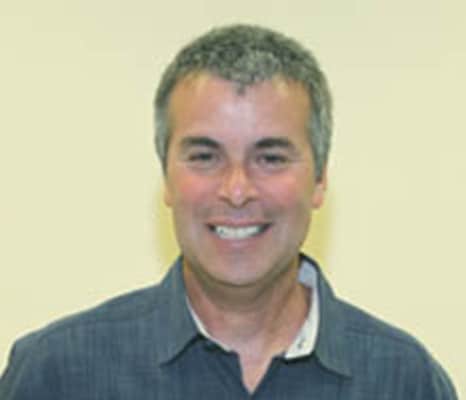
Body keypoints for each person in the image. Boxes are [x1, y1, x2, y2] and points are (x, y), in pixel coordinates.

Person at [0, 24, 457, 399]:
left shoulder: (405, 381)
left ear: (320, 179)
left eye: (270, 157)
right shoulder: (55, 375)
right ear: (166, 177)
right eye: (205, 156)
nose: (237, 191)